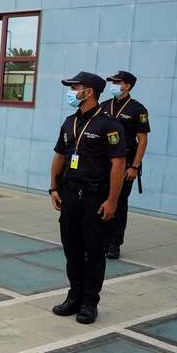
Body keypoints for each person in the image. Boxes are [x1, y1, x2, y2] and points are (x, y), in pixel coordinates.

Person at [49, 72, 126, 325]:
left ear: (89, 91)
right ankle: (74, 296)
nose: (71, 91)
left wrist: (112, 200)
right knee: (72, 249)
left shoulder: (109, 125)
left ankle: (90, 302)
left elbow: (118, 164)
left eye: (75, 87)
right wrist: (53, 188)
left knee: (94, 252)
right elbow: (60, 156)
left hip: (95, 197)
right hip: (70, 194)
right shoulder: (69, 122)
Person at [101, 71, 150, 260]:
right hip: (103, 164)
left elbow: (142, 140)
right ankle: (100, 238)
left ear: (127, 86)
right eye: (112, 81)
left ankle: (114, 243)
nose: (113, 84)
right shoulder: (104, 106)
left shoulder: (138, 109)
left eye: (117, 82)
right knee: (100, 199)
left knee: (119, 203)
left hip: (126, 164)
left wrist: (135, 166)